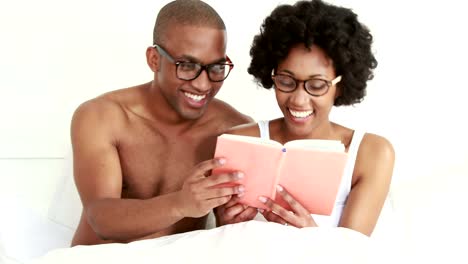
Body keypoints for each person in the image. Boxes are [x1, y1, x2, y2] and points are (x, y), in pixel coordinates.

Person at [70, 0, 251, 246]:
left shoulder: (235, 131)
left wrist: (231, 220)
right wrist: (181, 203)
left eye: (216, 67)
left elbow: (228, 234)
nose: (203, 84)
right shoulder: (103, 116)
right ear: (154, 59)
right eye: (187, 66)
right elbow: (100, 218)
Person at [215, 0, 394, 236]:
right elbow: (224, 244)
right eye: (286, 82)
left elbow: (351, 254)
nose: (299, 100)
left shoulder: (371, 153)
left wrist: (310, 234)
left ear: (340, 85)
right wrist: (225, 223)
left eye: (317, 85)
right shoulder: (241, 141)